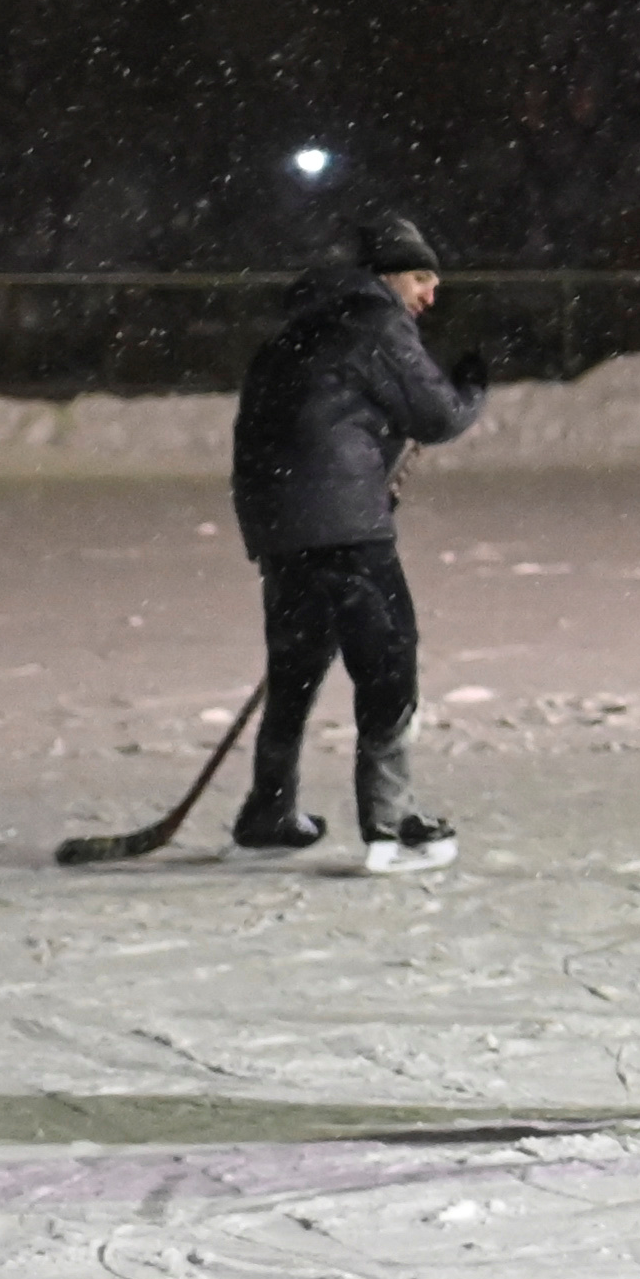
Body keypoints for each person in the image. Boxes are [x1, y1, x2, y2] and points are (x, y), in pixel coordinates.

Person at [228, 209, 490, 865]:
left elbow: (316, 416)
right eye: (422, 278)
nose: (431, 294)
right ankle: (390, 819)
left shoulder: (294, 331)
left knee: (295, 668)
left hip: (281, 526)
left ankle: (269, 807)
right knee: (387, 660)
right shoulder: (374, 323)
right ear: (387, 277)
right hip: (346, 528)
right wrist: (473, 383)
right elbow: (436, 415)